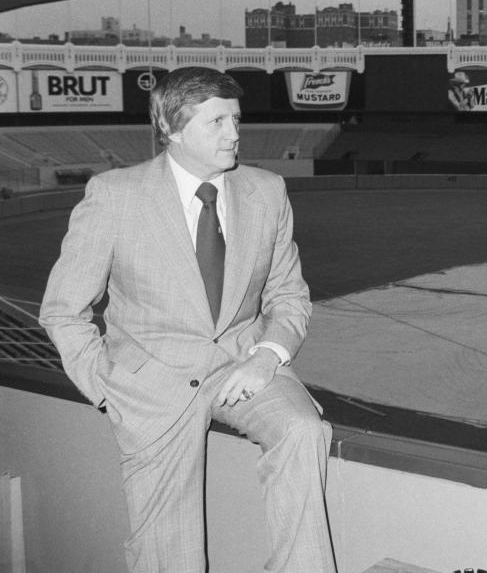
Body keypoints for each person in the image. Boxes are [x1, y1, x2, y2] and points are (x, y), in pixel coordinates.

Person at [39, 66, 337, 573]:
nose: (234, 133)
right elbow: (63, 311)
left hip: (245, 363)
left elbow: (289, 295)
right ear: (172, 129)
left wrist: (268, 356)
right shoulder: (115, 195)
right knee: (166, 550)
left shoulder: (266, 191)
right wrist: (111, 388)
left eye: (235, 119)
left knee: (303, 430)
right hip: (153, 382)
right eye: (217, 122)